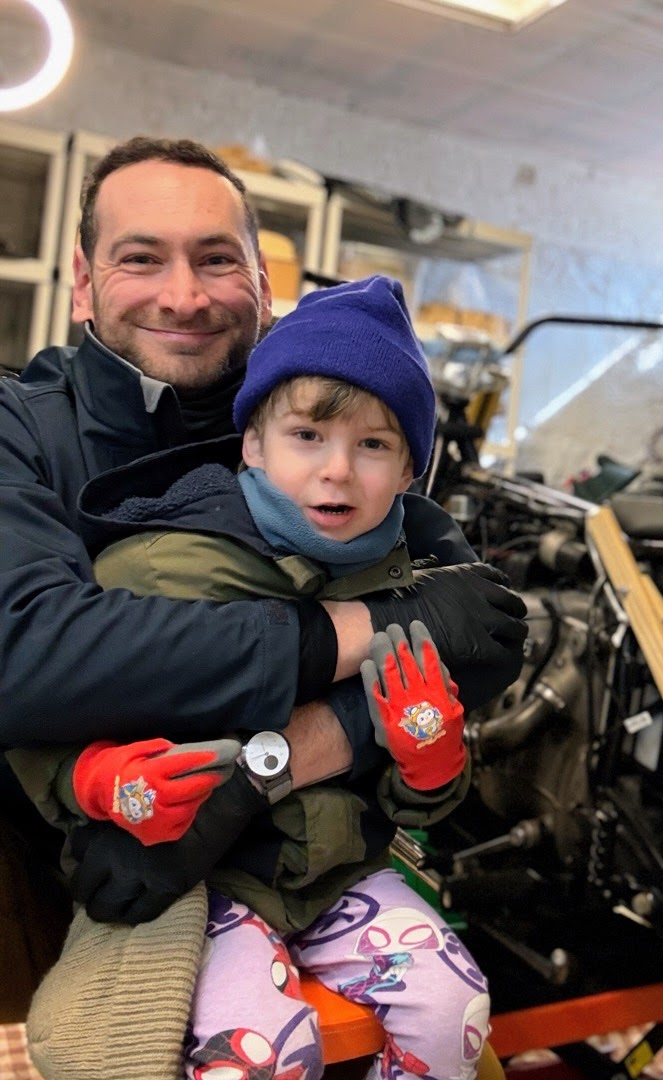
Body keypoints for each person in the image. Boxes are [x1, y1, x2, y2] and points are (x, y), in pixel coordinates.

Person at [0, 137, 527, 1016]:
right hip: (44, 854)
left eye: (217, 260)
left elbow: (484, 632)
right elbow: (23, 657)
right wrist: (368, 630)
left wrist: (254, 779)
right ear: (83, 283)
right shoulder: (17, 425)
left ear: (263, 285)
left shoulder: (310, 398)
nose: (184, 295)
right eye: (142, 258)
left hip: (296, 865)